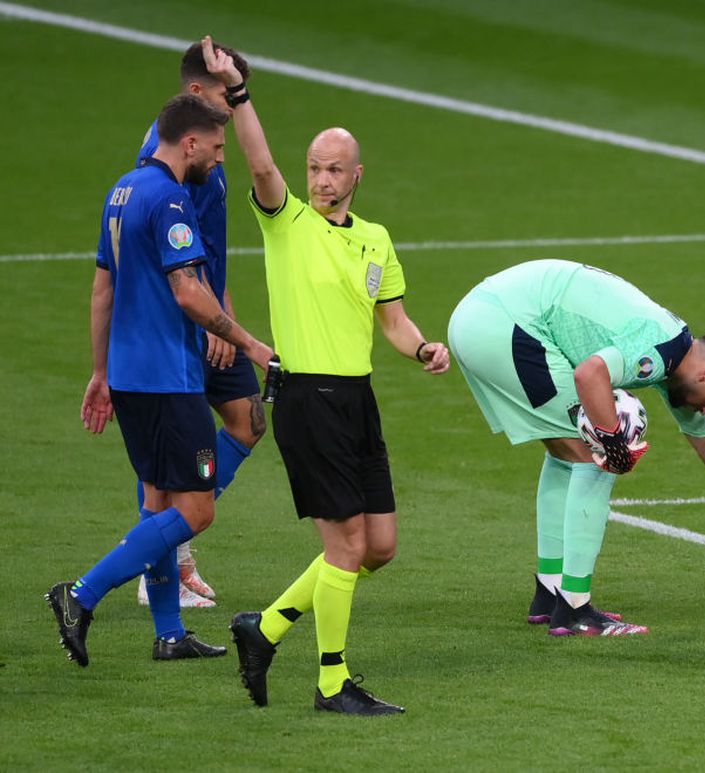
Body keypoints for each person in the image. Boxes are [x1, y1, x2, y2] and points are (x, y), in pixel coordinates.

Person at [198, 37, 451, 716]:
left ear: (356, 175)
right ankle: (332, 683)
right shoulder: (287, 222)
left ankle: (265, 626)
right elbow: (260, 162)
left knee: (379, 547)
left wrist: (424, 348)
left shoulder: (376, 239)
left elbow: (393, 321)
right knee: (345, 546)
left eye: (334, 170)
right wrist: (239, 93)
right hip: (307, 398)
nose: (321, 180)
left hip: (358, 400)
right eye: (314, 168)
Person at [447, 258, 705, 637]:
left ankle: (550, 592)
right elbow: (590, 373)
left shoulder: (672, 353)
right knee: (596, 459)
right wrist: (611, 442)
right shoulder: (658, 350)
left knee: (566, 453)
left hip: (481, 315)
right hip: (508, 324)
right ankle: (574, 610)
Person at [50, 93, 275, 667]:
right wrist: (249, 343)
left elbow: (102, 290)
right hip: (168, 380)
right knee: (196, 511)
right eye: (216, 147)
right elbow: (188, 292)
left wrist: (100, 371)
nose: (219, 159)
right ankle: (80, 594)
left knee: (157, 502)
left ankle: (170, 634)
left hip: (129, 376)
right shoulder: (171, 199)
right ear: (189, 142)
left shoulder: (121, 191)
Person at [132, 39, 263, 611]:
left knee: (248, 420)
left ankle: (169, 545)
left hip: (210, 311)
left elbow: (207, 243)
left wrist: (224, 313)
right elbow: (177, 256)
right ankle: (158, 563)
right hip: (181, 323)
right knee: (165, 461)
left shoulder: (208, 147)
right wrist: (210, 320)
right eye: (225, 95)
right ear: (194, 92)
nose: (233, 107)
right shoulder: (171, 161)